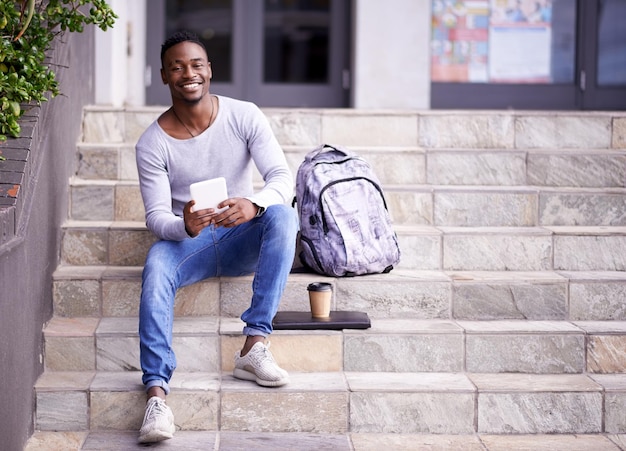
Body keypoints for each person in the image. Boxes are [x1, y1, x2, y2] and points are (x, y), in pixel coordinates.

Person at [134, 30, 298, 443]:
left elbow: (281, 177)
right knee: (156, 263)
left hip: (242, 237)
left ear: (209, 70)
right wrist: (183, 225)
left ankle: (254, 346)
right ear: (164, 76)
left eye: (196, 64)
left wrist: (254, 205)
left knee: (282, 216)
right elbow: (156, 216)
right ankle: (156, 397)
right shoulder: (152, 143)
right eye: (177, 67)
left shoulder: (244, 115)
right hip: (190, 246)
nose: (188, 73)